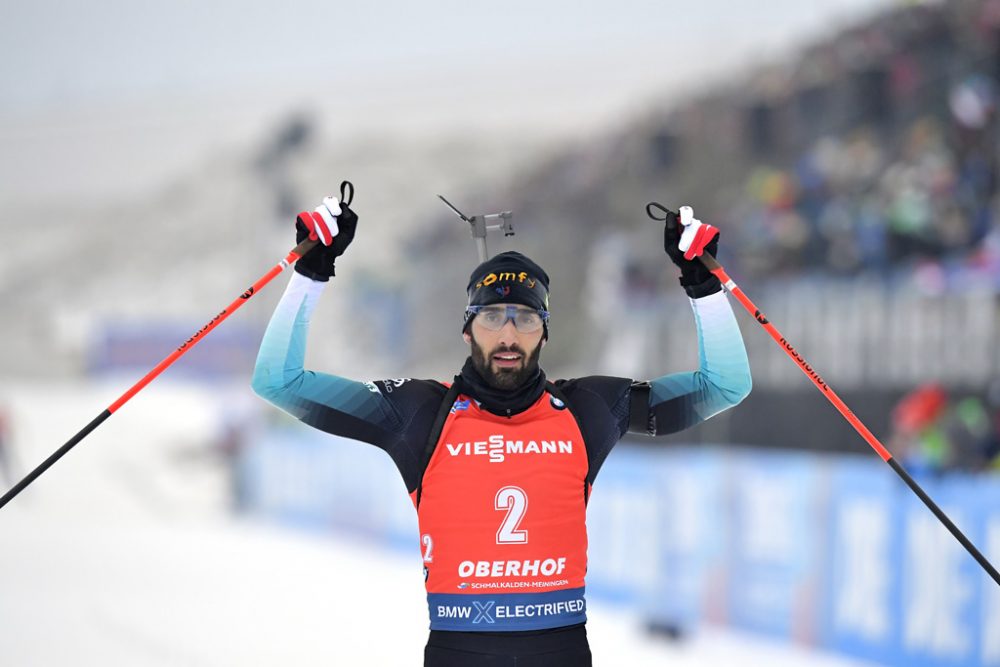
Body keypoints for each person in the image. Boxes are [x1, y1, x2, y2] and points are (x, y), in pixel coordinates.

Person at [251, 188, 752, 666]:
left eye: (525, 318)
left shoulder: (589, 408)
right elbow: (278, 381)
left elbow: (726, 385)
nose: (508, 334)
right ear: (467, 327)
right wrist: (310, 273)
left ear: (545, 331)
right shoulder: (417, 412)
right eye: (492, 317)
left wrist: (702, 285)